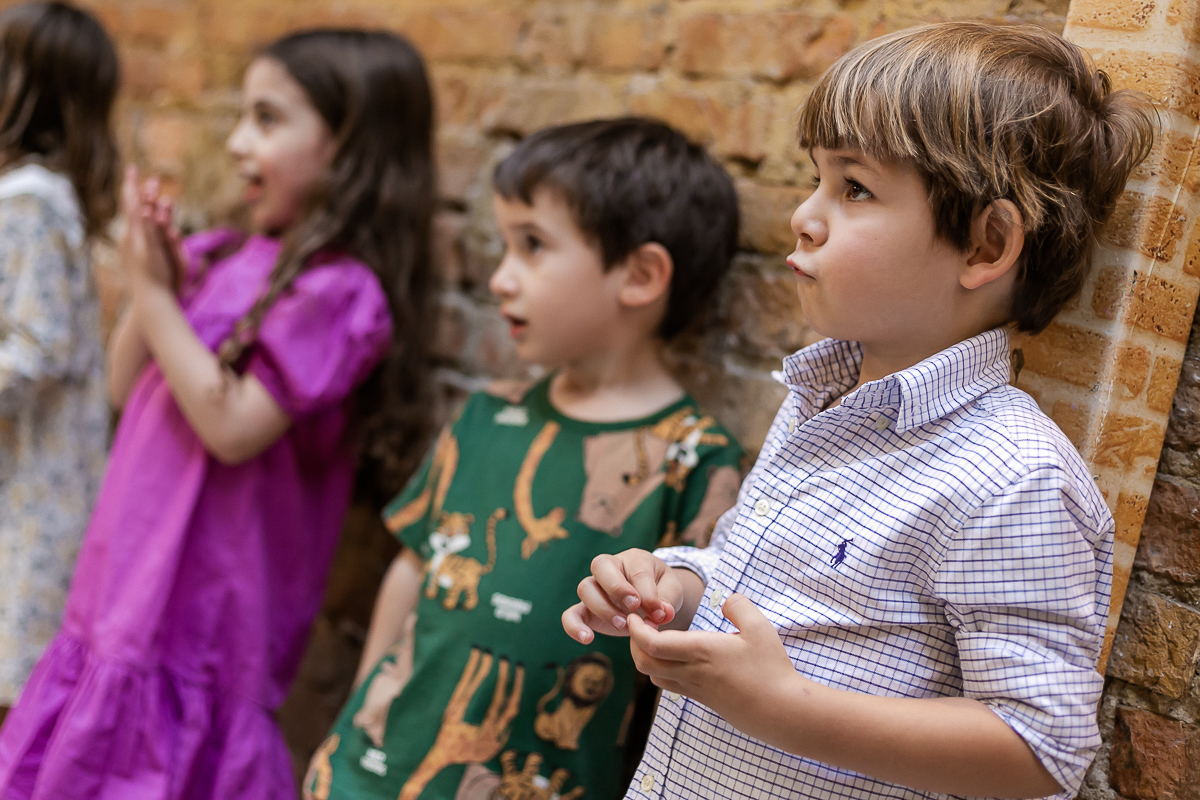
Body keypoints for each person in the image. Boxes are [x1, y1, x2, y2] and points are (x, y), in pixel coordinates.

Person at [563, 21, 1155, 800]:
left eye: (855, 189)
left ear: (985, 245)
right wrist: (672, 588)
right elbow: (761, 585)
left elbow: (1040, 752)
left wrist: (787, 709)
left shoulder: (1016, 476)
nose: (804, 216)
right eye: (816, 179)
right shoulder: (818, 400)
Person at [0, 29, 437, 800]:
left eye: (266, 119)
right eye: (242, 115)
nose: (237, 142)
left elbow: (233, 427)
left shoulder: (340, 291)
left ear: (349, 147)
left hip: (212, 612)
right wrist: (159, 284)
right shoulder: (225, 252)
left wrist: (155, 295)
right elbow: (120, 383)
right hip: (123, 583)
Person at [303, 118, 745, 800]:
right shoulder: (486, 414)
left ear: (639, 275)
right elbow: (414, 568)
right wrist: (353, 724)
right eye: (506, 246)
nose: (501, 279)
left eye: (532, 245)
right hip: (370, 773)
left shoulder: (697, 460)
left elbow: (686, 664)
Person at [0, 1, 119, 727]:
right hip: (30, 482)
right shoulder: (37, 198)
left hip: (34, 492)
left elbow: (36, 350)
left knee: (20, 679)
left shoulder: (31, 202)